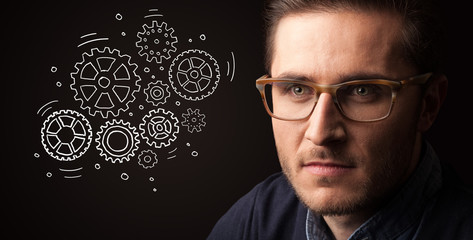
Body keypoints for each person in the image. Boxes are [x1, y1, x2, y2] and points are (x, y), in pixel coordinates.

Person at [207, 0, 473, 239]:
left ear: (428, 105)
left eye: (362, 91)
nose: (320, 133)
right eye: (297, 89)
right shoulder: (251, 223)